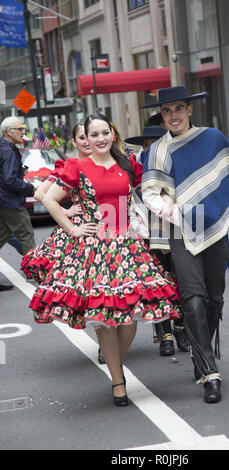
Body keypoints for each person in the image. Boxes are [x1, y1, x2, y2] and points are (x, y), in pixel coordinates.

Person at [28, 113, 181, 407]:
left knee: (132, 317)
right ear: (86, 137)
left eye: (104, 133)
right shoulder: (77, 167)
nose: (99, 139)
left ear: (113, 135)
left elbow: (148, 191)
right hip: (94, 249)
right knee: (104, 320)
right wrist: (72, 227)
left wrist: (165, 201)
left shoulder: (128, 164)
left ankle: (115, 363)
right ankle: (117, 379)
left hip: (128, 246)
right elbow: (47, 199)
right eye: (93, 134)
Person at [141, 86, 229, 403]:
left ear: (190, 110)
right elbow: (151, 192)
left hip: (216, 229)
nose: (173, 115)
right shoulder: (157, 152)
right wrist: (176, 211)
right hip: (181, 232)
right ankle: (209, 371)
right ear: (162, 115)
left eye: (178, 108)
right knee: (192, 299)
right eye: (167, 111)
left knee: (214, 300)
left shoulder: (213, 139)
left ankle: (201, 350)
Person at [125, 126, 190, 356]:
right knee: (156, 284)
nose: (150, 148)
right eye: (146, 144)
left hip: (176, 232)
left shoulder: (177, 164)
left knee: (181, 280)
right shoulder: (135, 171)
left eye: (156, 143)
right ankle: (164, 335)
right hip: (146, 234)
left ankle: (182, 328)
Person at [21, 123, 90, 284]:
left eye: (90, 136)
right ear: (74, 142)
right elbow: (40, 194)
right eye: (82, 137)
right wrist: (66, 212)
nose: (87, 141)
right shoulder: (69, 167)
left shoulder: (106, 164)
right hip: (79, 228)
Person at [0, 117, 35, 291]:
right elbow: (8, 179)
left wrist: (20, 170)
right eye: (20, 129)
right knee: (26, 235)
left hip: (3, 201)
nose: (23, 132)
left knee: (3, 235)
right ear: (9, 131)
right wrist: (31, 188)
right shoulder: (7, 151)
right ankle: (34, 272)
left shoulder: (4, 147)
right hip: (10, 201)